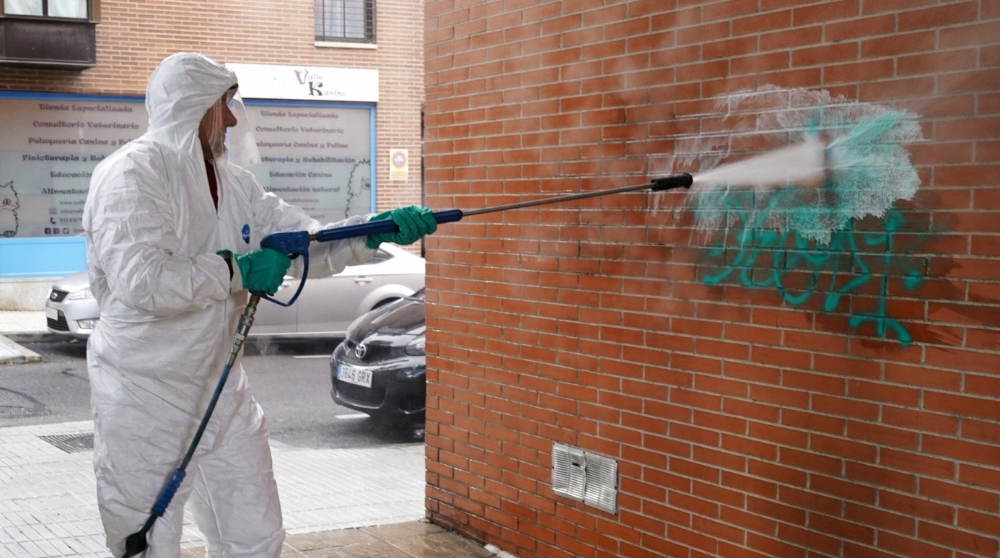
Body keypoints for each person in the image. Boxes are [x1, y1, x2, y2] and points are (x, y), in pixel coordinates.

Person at [82, 52, 436, 558]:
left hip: (221, 386)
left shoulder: (235, 185)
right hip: (145, 392)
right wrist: (237, 271)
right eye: (223, 106)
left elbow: (305, 241)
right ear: (193, 107)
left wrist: (374, 231)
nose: (231, 121)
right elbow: (142, 280)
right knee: (146, 542)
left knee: (254, 534)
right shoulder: (133, 174)